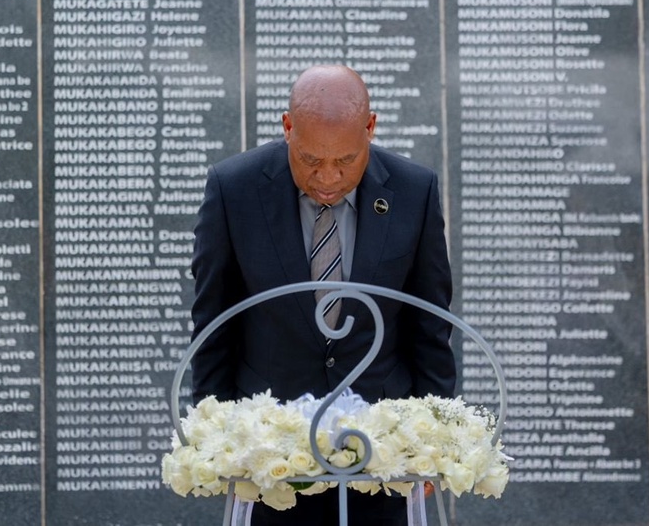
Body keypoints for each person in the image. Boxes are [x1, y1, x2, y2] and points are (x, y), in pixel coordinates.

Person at [189, 64, 456, 525]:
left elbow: (430, 325)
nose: (328, 178)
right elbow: (215, 321)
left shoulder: (415, 191)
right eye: (311, 160)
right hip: (267, 461)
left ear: (370, 128)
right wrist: (214, 439)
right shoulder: (234, 189)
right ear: (287, 127)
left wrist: (435, 442)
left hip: (384, 458)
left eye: (346, 160)